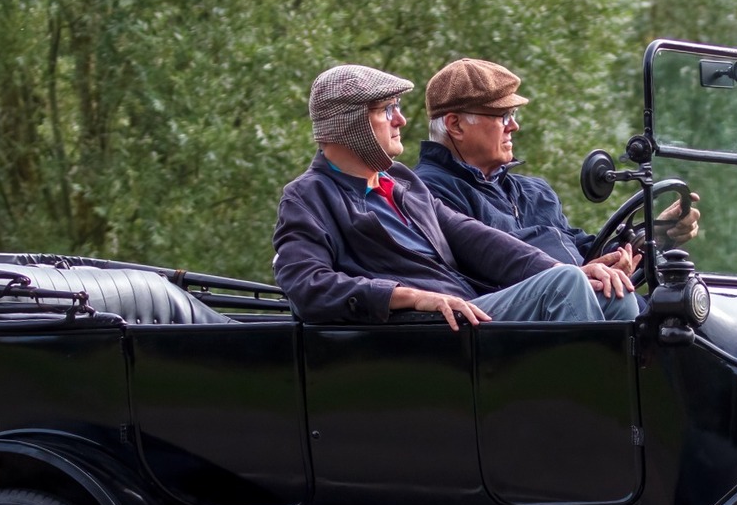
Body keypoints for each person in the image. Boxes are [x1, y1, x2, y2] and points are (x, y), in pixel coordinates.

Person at [271, 65, 637, 330]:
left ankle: (635, 426)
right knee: (566, 287)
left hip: (465, 316)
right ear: (348, 124)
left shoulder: (401, 181)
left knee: (609, 290)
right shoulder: (308, 197)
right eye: (386, 110)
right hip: (422, 333)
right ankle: (586, 428)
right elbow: (307, 286)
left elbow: (478, 240)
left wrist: (563, 268)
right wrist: (408, 296)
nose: (400, 120)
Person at [414, 58, 700, 274]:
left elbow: (587, 253)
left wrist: (657, 235)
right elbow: (491, 267)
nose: (514, 126)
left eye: (512, 114)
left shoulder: (534, 192)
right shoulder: (427, 193)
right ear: (455, 125)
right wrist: (578, 277)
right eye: (502, 116)